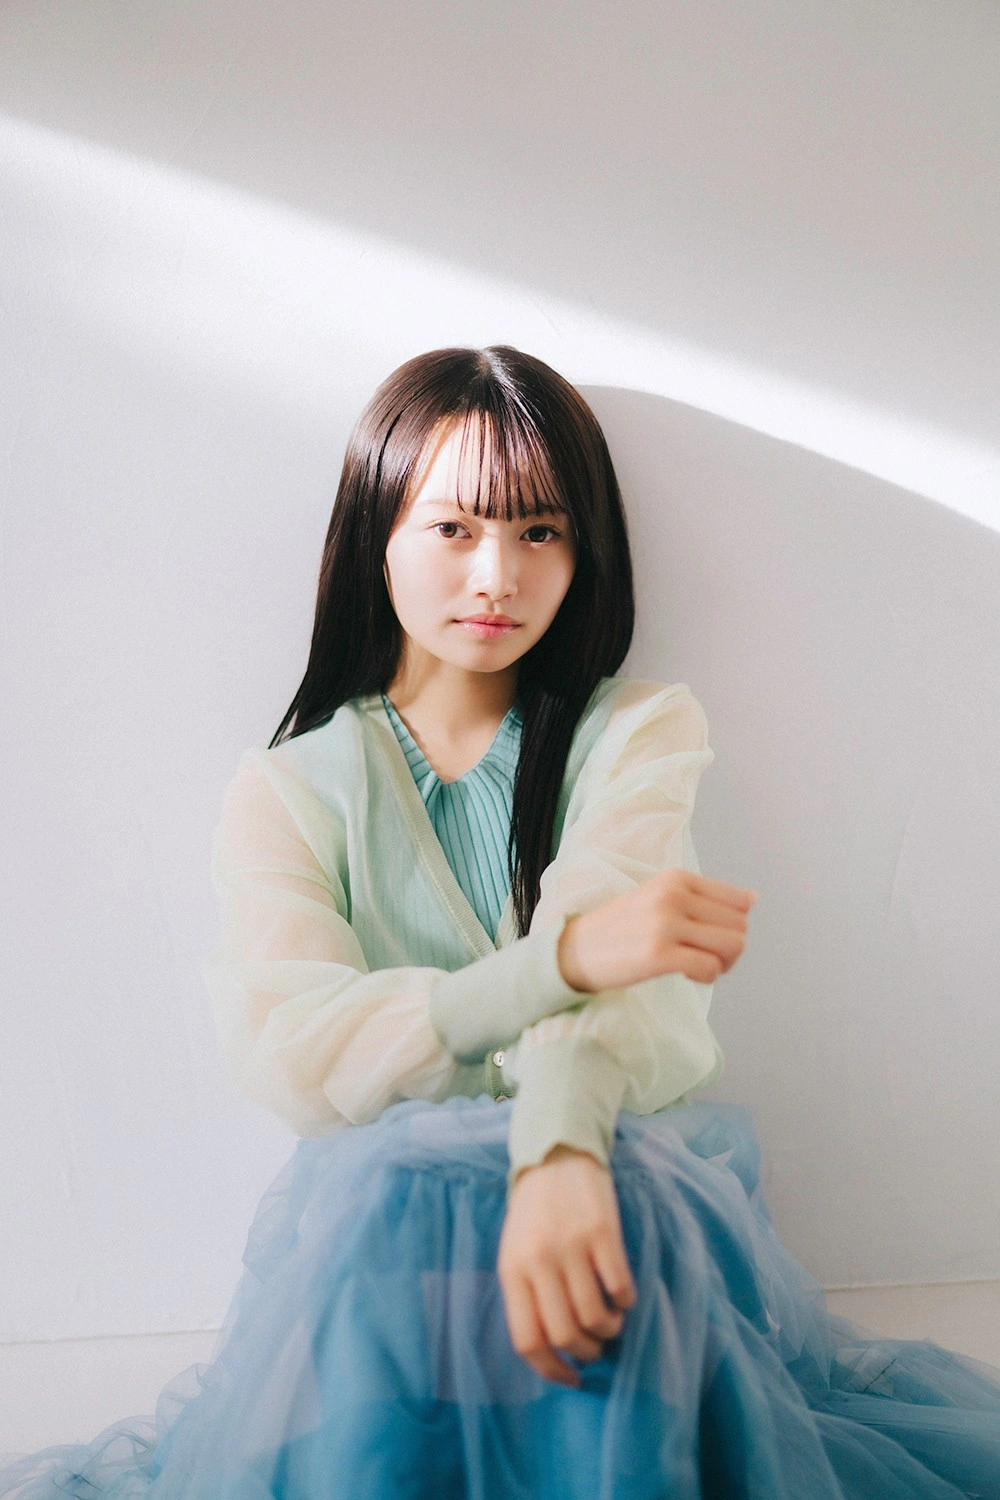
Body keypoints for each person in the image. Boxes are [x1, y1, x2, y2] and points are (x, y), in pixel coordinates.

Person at [3, 346, 999, 1499]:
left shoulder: (633, 733)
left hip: (622, 1163)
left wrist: (561, 1145)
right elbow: (296, 1048)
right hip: (393, 1218)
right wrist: (557, 965)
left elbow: (624, 969)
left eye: (539, 531)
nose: (497, 574)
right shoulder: (289, 788)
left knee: (628, 1193)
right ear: (376, 533)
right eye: (453, 527)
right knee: (399, 1188)